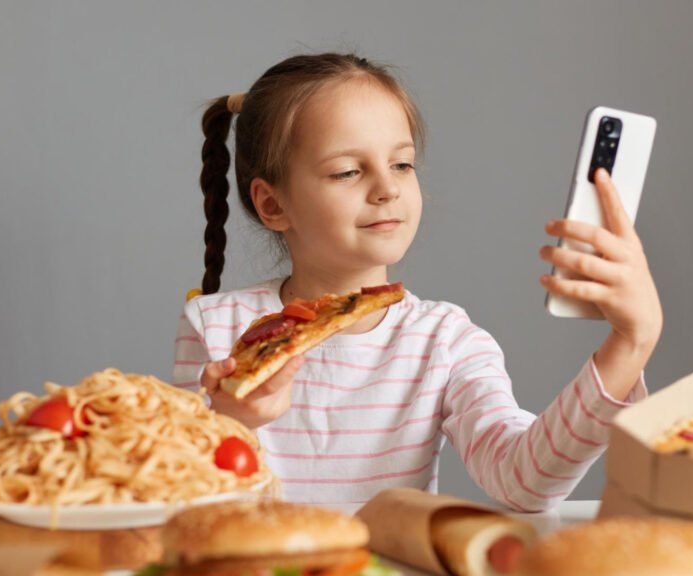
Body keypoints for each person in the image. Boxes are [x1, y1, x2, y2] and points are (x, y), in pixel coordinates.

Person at [172, 53, 662, 513]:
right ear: (273, 204)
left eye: (401, 164)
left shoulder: (443, 340)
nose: (387, 188)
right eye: (347, 171)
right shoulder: (217, 327)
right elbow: (175, 497)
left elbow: (526, 482)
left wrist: (630, 343)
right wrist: (233, 423)